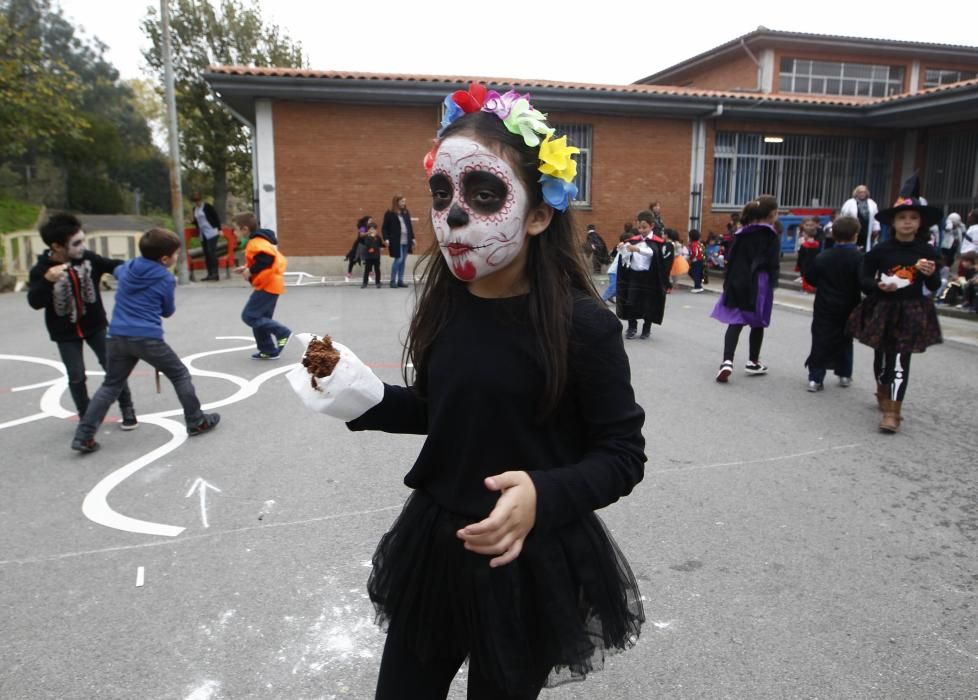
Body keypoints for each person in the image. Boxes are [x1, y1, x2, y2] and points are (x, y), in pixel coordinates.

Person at [287, 84, 646, 699]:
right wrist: (364, 397)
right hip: (438, 543)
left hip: (527, 557)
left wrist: (542, 491)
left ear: (538, 214)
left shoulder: (582, 325)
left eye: (485, 195)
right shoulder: (448, 302)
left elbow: (621, 454)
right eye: (442, 193)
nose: (454, 214)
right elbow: (443, 410)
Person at [70, 229, 221, 453]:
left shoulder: (127, 267)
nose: (176, 258)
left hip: (117, 336)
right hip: (146, 337)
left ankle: (84, 435)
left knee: (111, 385)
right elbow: (167, 311)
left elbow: (119, 272)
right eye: (175, 254)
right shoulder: (165, 277)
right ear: (164, 259)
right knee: (179, 374)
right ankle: (196, 420)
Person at [847, 175, 943, 433]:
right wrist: (877, 285)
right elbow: (864, 278)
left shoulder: (927, 251)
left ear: (919, 222)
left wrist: (930, 272)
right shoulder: (881, 250)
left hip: (911, 309)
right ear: (893, 222)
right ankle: (882, 388)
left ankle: (893, 412)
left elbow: (934, 286)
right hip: (884, 308)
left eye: (912, 218)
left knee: (901, 359)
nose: (907, 222)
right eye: (902, 218)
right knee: (883, 356)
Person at [28, 213, 136, 424]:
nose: (81, 246)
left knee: (112, 366)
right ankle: (86, 417)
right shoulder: (41, 270)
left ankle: (127, 408)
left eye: (82, 240)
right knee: (76, 375)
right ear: (57, 246)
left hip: (95, 325)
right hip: (64, 333)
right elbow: (35, 302)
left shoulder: (88, 259)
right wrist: (47, 281)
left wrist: (138, 269)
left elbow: (112, 265)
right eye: (76, 243)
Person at [711, 196, 782, 383]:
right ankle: (753, 361)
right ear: (771, 214)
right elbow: (773, 263)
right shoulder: (770, 235)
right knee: (758, 323)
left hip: (737, 280)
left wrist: (728, 282)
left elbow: (731, 258)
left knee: (735, 321)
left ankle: (727, 361)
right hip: (759, 282)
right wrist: (773, 283)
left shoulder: (740, 234)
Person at [801, 216, 863, 392]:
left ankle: (816, 378)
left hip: (825, 304)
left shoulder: (824, 256)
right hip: (849, 304)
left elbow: (811, 278)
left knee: (821, 338)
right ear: (856, 235)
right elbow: (863, 281)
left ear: (833, 234)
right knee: (845, 338)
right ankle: (844, 374)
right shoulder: (859, 257)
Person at [232, 212, 292, 360]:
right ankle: (268, 350)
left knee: (250, 316)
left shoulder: (255, 243)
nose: (234, 233)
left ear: (245, 229)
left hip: (268, 285)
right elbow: (261, 261)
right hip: (271, 284)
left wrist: (250, 270)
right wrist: (247, 267)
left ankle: (282, 332)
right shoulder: (258, 241)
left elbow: (266, 260)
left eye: (235, 229)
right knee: (261, 318)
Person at [616, 210, 672, 340]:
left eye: (644, 227)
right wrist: (621, 248)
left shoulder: (657, 242)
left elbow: (652, 253)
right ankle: (632, 327)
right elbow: (625, 257)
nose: (641, 230)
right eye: (639, 227)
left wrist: (638, 249)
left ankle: (646, 329)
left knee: (649, 303)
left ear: (652, 226)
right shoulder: (633, 240)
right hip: (634, 275)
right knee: (631, 301)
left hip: (650, 277)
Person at [383, 195, 415, 288]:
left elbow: (409, 226)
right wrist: (386, 239)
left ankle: (400, 280)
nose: (404, 203)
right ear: (396, 202)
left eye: (404, 201)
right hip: (396, 241)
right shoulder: (390, 213)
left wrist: (413, 238)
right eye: (402, 201)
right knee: (399, 259)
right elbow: (384, 228)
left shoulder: (406, 212)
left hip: (406, 240)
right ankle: (393, 281)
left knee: (403, 261)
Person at [190, 192, 222, 281]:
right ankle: (209, 274)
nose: (197, 202)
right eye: (195, 201)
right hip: (203, 233)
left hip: (212, 231)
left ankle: (215, 273)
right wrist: (191, 222)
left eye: (198, 200)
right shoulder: (194, 209)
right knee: (206, 253)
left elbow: (216, 217)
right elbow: (198, 221)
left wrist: (220, 229)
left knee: (211, 252)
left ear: (201, 199)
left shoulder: (207, 206)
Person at [840, 185, 881, 251]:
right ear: (856, 193)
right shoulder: (849, 203)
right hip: (853, 229)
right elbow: (843, 216)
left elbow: (875, 216)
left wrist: (876, 228)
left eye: (864, 192)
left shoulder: (872, 203)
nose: (862, 194)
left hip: (866, 229)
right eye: (860, 192)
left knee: (865, 247)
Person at [796, 218, 821, 293]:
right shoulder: (817, 244)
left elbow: (801, 256)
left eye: (804, 233)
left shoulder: (804, 245)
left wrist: (798, 265)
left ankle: (805, 289)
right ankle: (810, 288)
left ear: (807, 234)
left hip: (805, 263)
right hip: (813, 262)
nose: (803, 234)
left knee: (804, 276)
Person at [344, 215, 372, 281]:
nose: (371, 222)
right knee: (353, 258)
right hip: (359, 245)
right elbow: (361, 235)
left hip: (366, 245)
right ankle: (349, 272)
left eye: (371, 221)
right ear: (366, 221)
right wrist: (368, 232)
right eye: (370, 220)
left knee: (369, 258)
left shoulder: (370, 227)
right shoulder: (362, 227)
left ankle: (370, 271)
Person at [360, 222, 385, 288]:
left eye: (373, 229)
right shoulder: (367, 237)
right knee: (367, 270)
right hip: (368, 256)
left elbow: (380, 244)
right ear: (368, 230)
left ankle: (378, 282)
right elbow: (367, 244)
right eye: (370, 229)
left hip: (376, 256)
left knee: (377, 269)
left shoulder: (378, 237)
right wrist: (372, 237)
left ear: (376, 230)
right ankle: (365, 283)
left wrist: (383, 246)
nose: (372, 230)